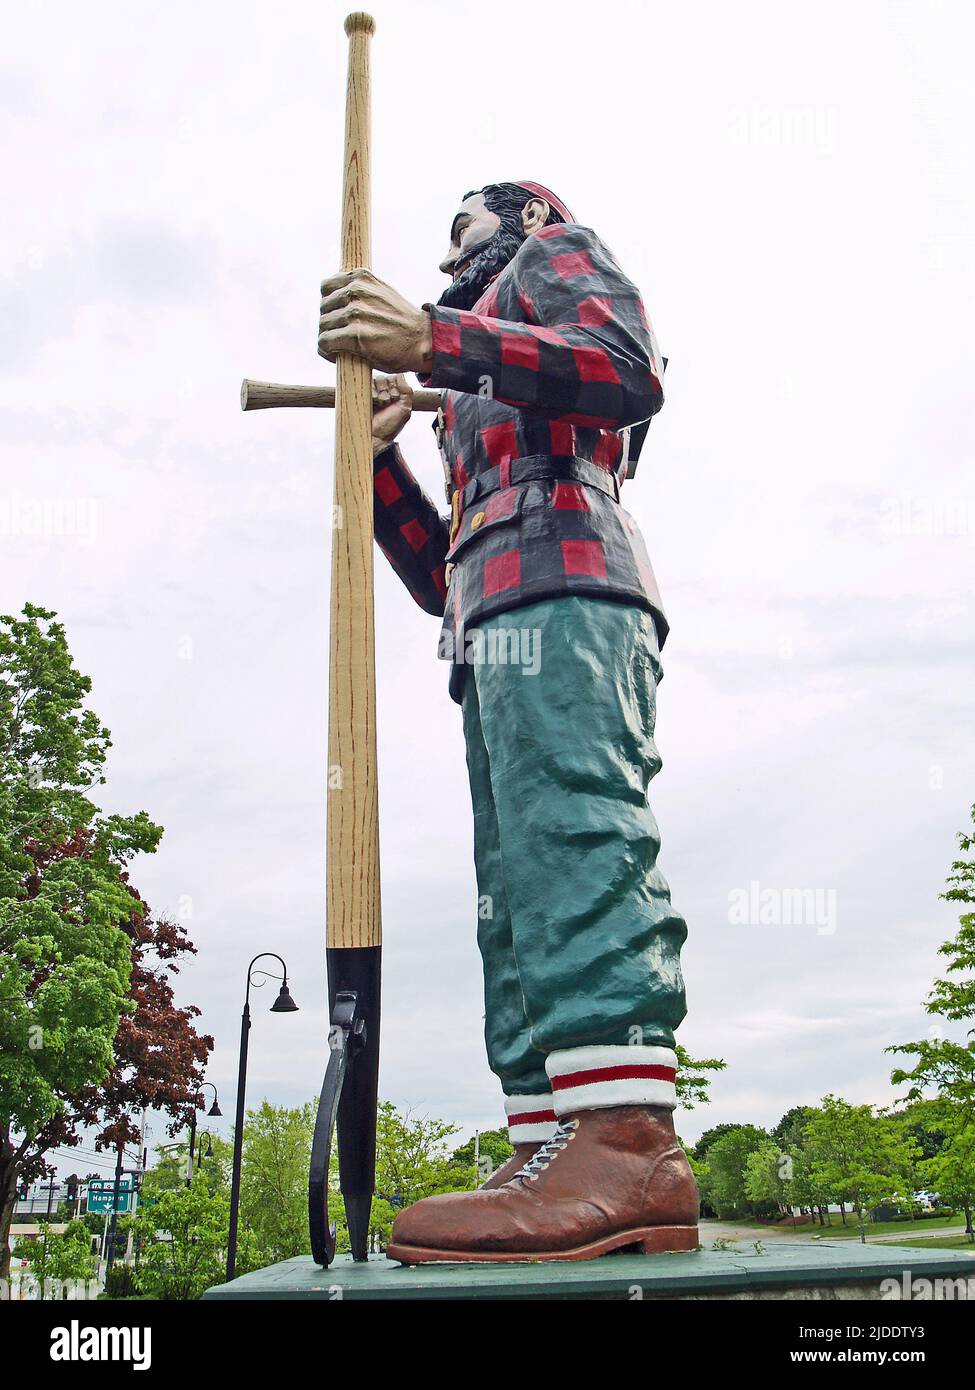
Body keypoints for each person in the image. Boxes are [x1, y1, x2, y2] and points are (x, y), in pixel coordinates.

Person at [318, 181, 697, 1262]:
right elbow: (443, 574)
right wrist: (383, 452)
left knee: (577, 838)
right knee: (515, 886)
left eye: (464, 225)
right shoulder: (474, 379)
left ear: (526, 217)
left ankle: (627, 1141)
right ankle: (549, 1135)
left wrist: (433, 340)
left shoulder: (554, 259)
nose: (448, 249)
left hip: (572, 590)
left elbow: (628, 371)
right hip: (493, 615)